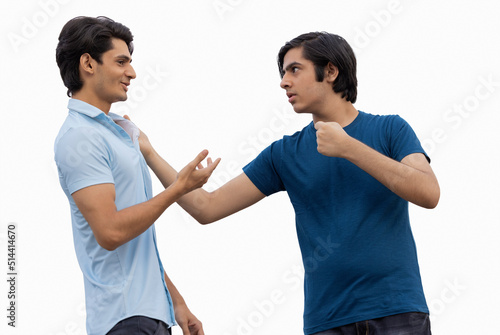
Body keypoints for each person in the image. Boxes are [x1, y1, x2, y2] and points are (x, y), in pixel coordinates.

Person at [133, 32, 440, 334]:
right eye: (283, 73)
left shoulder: (390, 129)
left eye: (295, 69)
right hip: (327, 321)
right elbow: (206, 207)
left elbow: (428, 192)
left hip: (398, 313)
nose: (284, 82)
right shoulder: (283, 154)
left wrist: (349, 148)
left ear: (331, 71)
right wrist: (148, 151)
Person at [54, 16, 219, 335]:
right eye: (121, 62)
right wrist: (179, 188)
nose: (132, 72)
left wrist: (177, 303)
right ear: (88, 64)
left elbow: (137, 241)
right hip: (124, 320)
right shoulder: (80, 137)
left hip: (149, 316)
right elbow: (111, 233)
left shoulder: (117, 132)